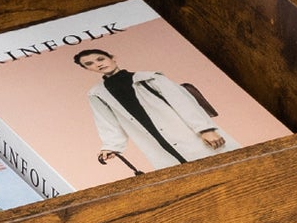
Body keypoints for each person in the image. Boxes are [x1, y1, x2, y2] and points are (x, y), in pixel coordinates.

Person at [73, 47, 229, 172]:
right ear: (87, 69)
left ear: (112, 58)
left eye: (100, 59)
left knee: (223, 166)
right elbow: (107, 122)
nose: (98, 64)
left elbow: (184, 103)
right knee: (182, 174)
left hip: (186, 133)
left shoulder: (150, 77)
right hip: (153, 141)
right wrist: (111, 147)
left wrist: (205, 129)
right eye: (90, 64)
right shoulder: (97, 94)